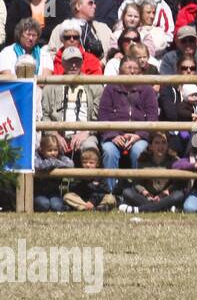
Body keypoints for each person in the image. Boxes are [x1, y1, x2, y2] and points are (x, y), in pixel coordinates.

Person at [97, 55, 159, 191]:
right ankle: (110, 192)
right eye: (128, 68)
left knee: (140, 150)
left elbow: (152, 117)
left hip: (138, 136)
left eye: (136, 68)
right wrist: (113, 135)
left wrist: (139, 135)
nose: (132, 71)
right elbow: (103, 116)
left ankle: (136, 191)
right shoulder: (110, 89)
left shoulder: (147, 90)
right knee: (109, 151)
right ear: (120, 71)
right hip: (114, 135)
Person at [42, 47, 100, 159]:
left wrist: (86, 132)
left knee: (90, 149)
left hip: (86, 134)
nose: (73, 65)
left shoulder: (95, 85)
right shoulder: (51, 87)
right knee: (50, 146)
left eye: (77, 61)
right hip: (57, 133)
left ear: (82, 63)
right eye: (69, 62)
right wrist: (54, 134)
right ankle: (52, 177)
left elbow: (97, 118)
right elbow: (45, 116)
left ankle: (89, 177)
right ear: (62, 63)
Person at [117, 132, 184, 213]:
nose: (160, 146)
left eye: (164, 142)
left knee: (178, 195)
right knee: (127, 192)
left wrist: (164, 193)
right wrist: (145, 193)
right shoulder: (143, 160)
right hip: (148, 196)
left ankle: (138, 209)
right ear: (151, 146)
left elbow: (176, 183)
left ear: (167, 145)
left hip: (166, 196)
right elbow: (137, 183)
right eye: (156, 143)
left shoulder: (175, 160)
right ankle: (164, 208)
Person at [34, 133, 72, 211]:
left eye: (55, 150)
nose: (53, 153)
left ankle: (65, 207)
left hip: (54, 192)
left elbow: (70, 164)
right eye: (49, 150)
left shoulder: (59, 157)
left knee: (57, 206)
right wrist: (52, 162)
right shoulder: (37, 156)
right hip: (38, 192)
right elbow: (39, 165)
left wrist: (55, 162)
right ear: (42, 150)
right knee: (44, 204)